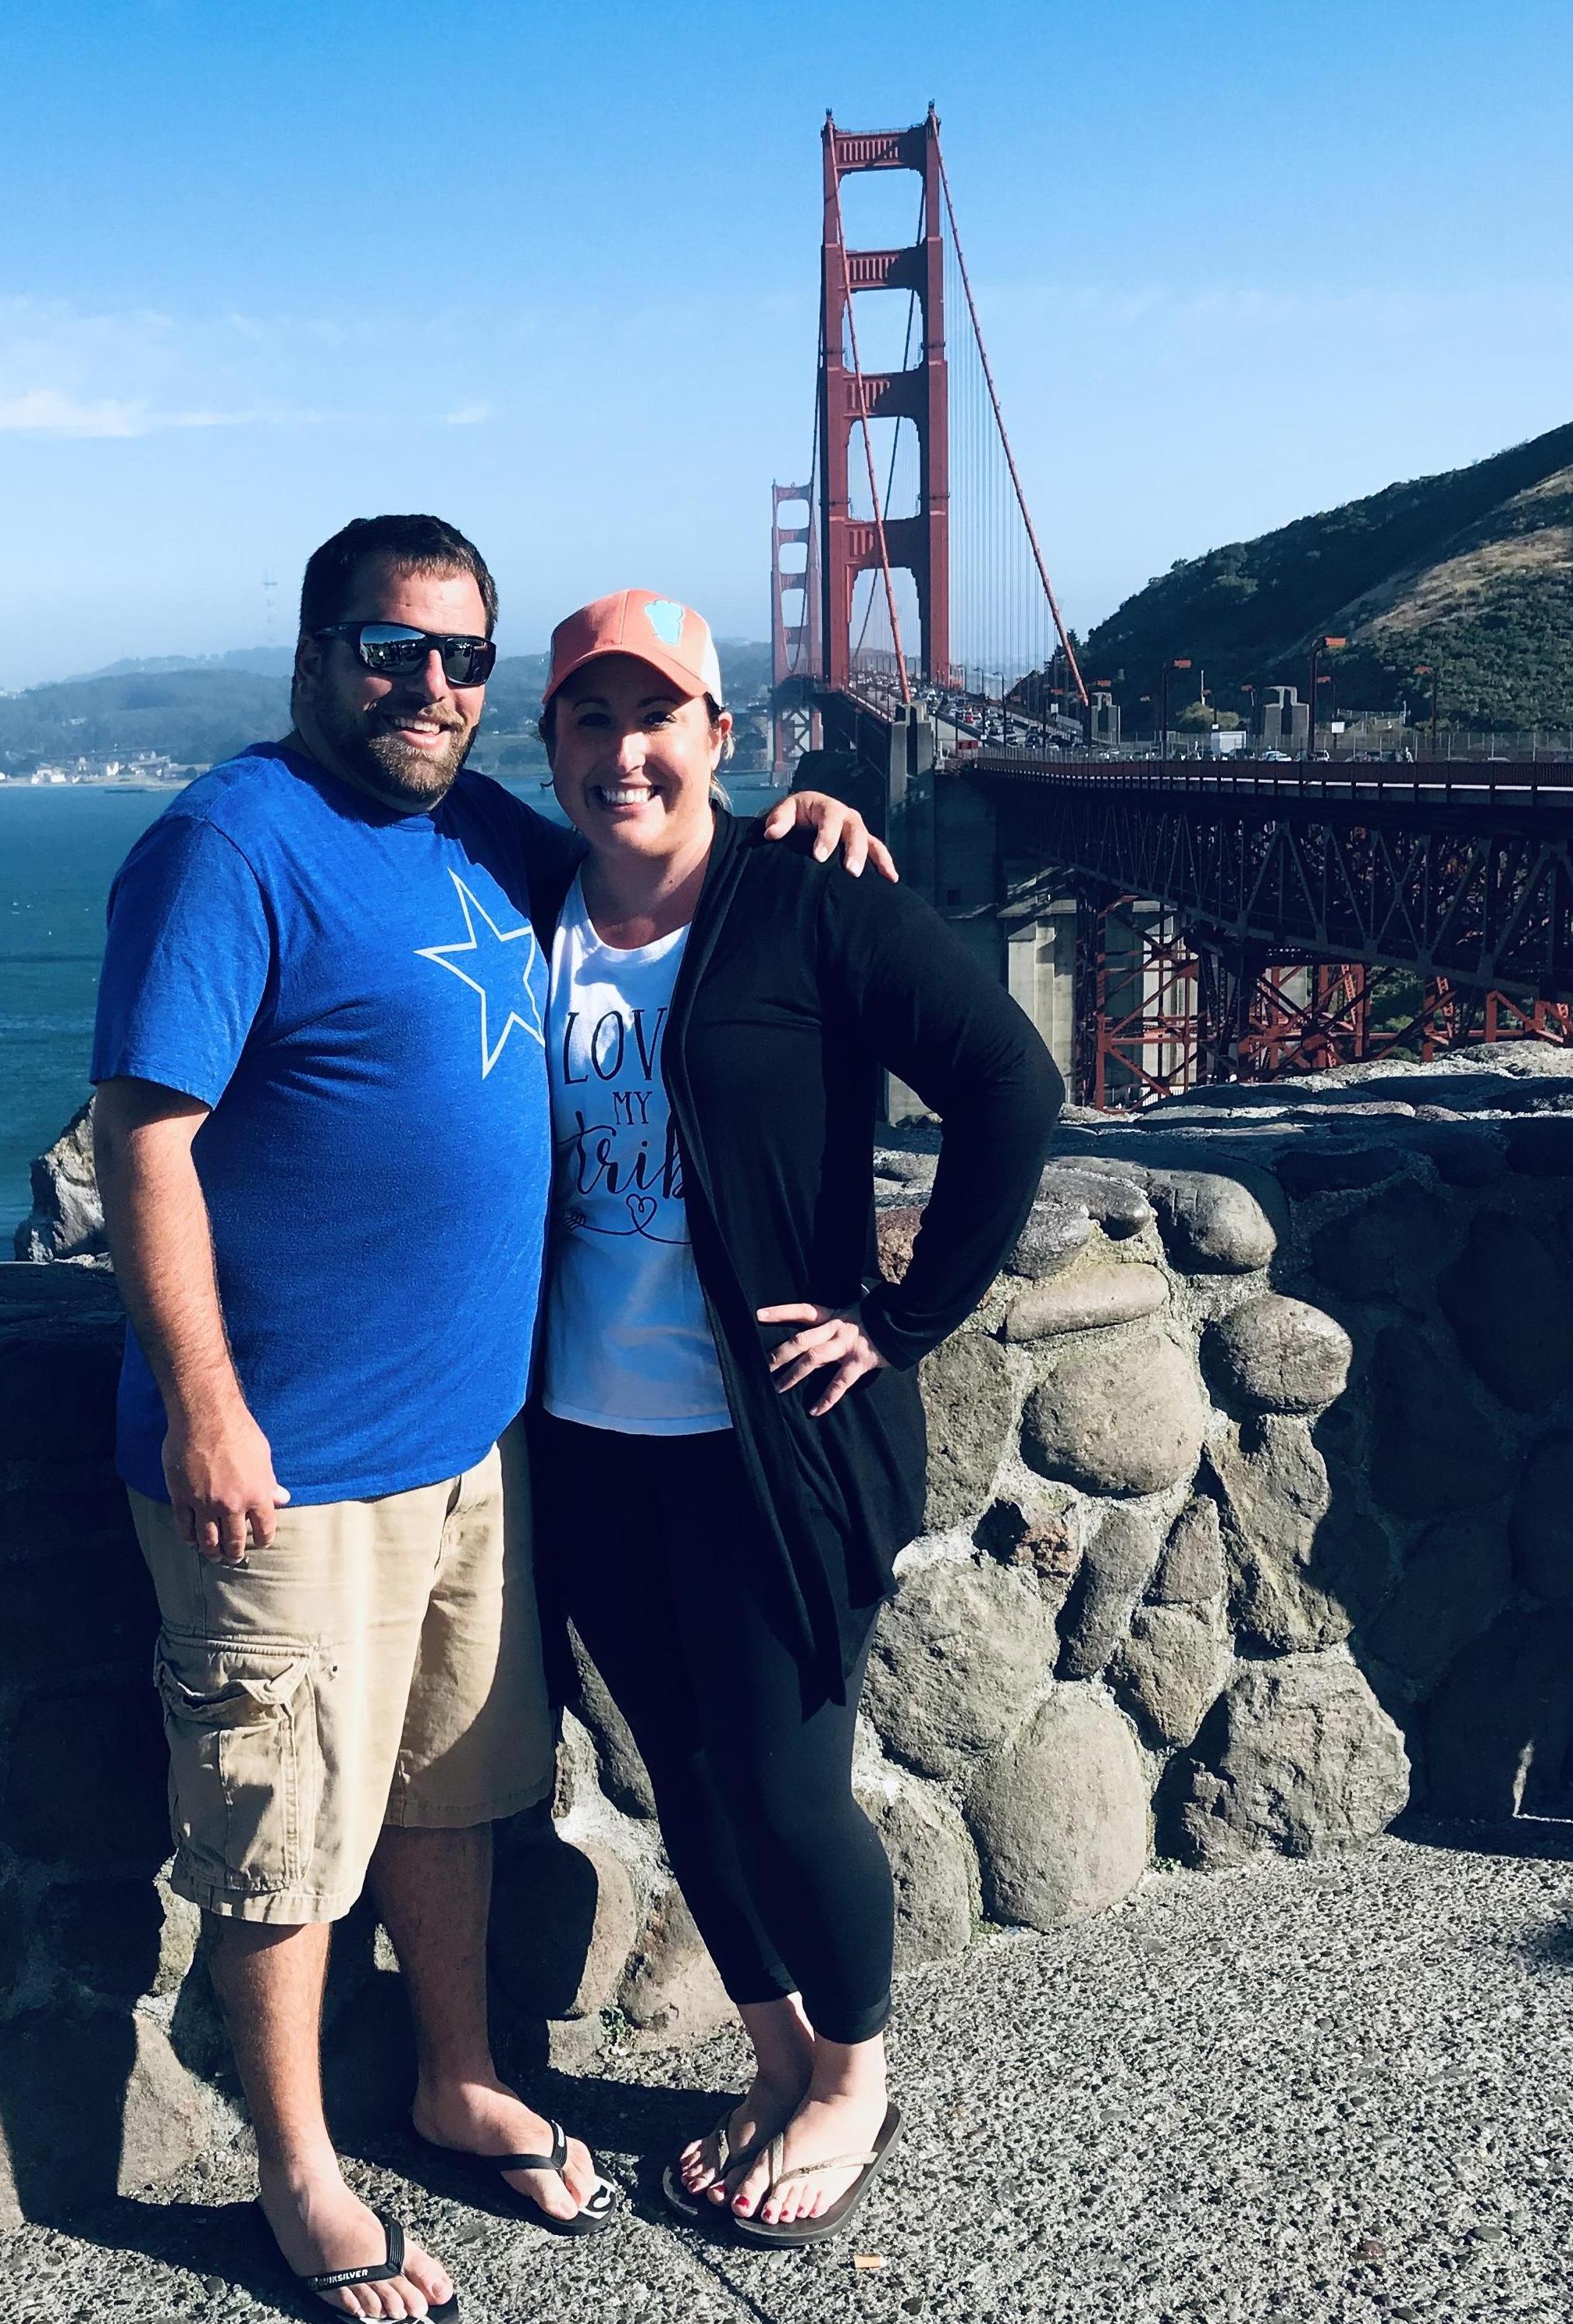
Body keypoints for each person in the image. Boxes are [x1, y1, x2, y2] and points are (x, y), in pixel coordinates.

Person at [90, 517, 891, 2320]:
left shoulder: (483, 833)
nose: (429, 687)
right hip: (285, 1463)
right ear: (314, 656)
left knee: (453, 1793)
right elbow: (141, 1142)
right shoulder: (229, 846)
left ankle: (455, 2077)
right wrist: (207, 1407)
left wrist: (796, 837)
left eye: (464, 659)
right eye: (391, 651)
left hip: (478, 1446)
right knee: (283, 1828)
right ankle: (297, 2176)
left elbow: (656, 836)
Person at [523, 589, 1062, 2247]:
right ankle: (770, 2058)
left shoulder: (806, 895)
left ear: (721, 735)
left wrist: (901, 1322)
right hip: (584, 1434)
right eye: (589, 719)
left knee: (781, 1780)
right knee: (682, 1773)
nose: (626, 750)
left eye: (659, 715)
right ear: (545, 746)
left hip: (773, 1441)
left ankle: (851, 2078)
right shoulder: (516, 901)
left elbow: (1009, 1086)